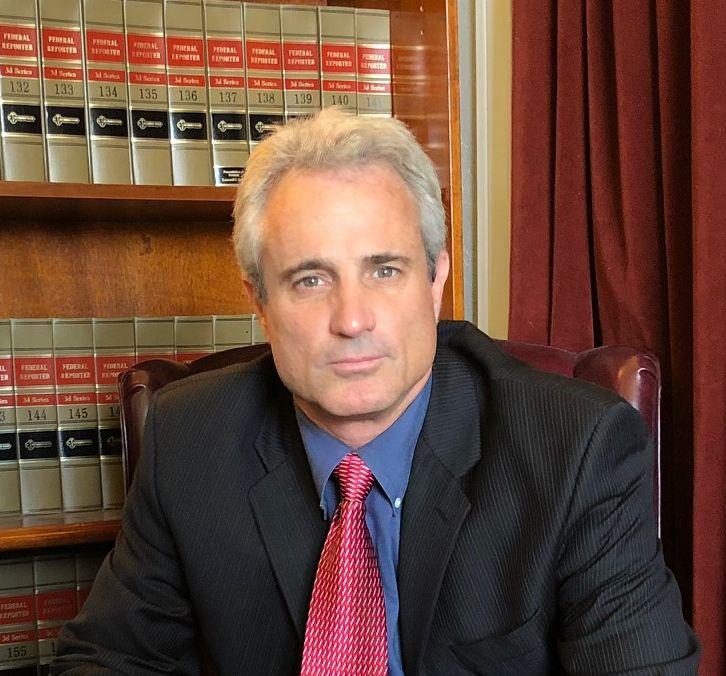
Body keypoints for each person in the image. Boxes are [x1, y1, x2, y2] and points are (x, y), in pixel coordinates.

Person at [53, 108, 699, 675]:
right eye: (310, 280)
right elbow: (109, 661)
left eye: (384, 270)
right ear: (261, 302)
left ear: (436, 279)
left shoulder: (576, 450)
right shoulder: (190, 440)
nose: (352, 319)